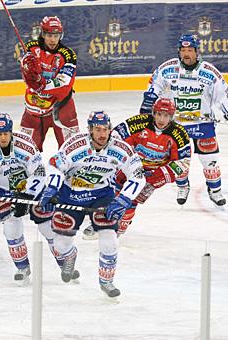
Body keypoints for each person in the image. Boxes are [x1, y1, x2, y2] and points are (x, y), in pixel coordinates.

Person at [38, 111, 146, 297]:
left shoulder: (121, 148)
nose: (102, 134)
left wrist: (123, 199)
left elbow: (137, 175)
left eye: (105, 129)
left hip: (101, 196)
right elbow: (54, 165)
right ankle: (70, 256)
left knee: (110, 240)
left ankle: (107, 281)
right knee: (61, 245)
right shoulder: (75, 145)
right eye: (97, 129)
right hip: (70, 194)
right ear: (89, 130)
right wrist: (52, 189)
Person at [0, 113, 66, 283]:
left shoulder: (25, 143)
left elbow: (39, 172)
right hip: (2, 191)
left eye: (6, 133)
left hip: (30, 187)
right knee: (11, 229)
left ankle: (65, 264)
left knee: (47, 227)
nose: (3, 137)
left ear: (11, 132)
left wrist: (27, 194)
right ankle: (22, 267)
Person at [83, 98, 192, 239]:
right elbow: (115, 135)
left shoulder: (179, 134)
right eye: (159, 114)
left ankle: (119, 228)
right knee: (110, 187)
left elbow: (183, 162)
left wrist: (153, 179)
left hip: (155, 172)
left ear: (171, 117)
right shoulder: (139, 122)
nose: (161, 119)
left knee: (132, 198)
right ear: (153, 113)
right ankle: (102, 220)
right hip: (132, 164)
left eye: (166, 116)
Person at [140, 33, 228, 206]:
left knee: (209, 160)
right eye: (183, 50)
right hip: (176, 125)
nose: (186, 54)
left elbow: (223, 96)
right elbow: (154, 86)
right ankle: (183, 186)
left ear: (196, 51)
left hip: (203, 124)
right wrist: (148, 101)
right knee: (179, 161)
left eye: (190, 50)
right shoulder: (167, 68)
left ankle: (215, 190)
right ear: (179, 51)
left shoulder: (210, 72)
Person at [18, 16, 79, 152]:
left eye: (56, 35)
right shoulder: (30, 48)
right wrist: (26, 67)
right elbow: (25, 75)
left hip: (62, 105)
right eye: (49, 35)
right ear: (43, 34)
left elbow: (64, 83)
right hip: (36, 105)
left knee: (72, 149)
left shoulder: (68, 55)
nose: (53, 39)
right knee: (25, 151)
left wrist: (42, 84)